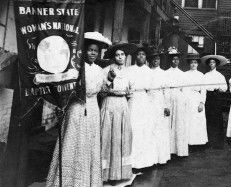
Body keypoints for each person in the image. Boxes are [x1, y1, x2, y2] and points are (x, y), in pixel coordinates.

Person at [46, 31, 111, 187]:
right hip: (76, 108)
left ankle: (87, 182)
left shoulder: (99, 70)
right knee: (73, 141)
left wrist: (110, 80)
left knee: (89, 143)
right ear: (84, 50)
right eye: (90, 50)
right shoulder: (76, 67)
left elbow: (103, 91)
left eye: (95, 51)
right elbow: (66, 89)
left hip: (93, 109)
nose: (93, 53)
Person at [100, 42, 137, 183]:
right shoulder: (106, 70)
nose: (120, 57)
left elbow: (131, 94)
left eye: (122, 55)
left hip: (122, 105)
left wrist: (128, 111)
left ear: (125, 57)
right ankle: (106, 174)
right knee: (108, 137)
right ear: (113, 57)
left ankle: (120, 173)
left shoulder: (129, 72)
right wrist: (109, 80)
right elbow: (102, 91)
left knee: (121, 138)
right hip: (109, 103)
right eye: (117, 55)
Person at [127, 44, 157, 169]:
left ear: (146, 58)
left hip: (144, 102)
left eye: (143, 54)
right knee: (133, 129)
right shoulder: (129, 70)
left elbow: (152, 91)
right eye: (138, 54)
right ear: (135, 56)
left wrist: (150, 106)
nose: (141, 56)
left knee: (144, 130)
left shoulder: (149, 72)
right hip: (132, 101)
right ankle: (131, 162)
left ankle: (144, 162)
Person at [147, 48, 171, 164]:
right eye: (153, 59)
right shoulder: (147, 72)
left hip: (160, 101)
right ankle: (150, 158)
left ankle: (160, 158)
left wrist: (166, 105)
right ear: (150, 60)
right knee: (149, 128)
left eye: (157, 59)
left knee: (160, 128)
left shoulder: (163, 73)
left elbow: (166, 90)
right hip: (148, 101)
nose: (156, 61)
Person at [165, 47, 188, 157]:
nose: (175, 61)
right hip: (169, 97)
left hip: (179, 98)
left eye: (177, 59)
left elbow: (185, 89)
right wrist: (166, 103)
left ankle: (179, 149)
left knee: (178, 123)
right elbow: (165, 89)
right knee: (168, 123)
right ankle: (169, 149)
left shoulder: (182, 74)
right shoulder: (166, 73)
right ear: (170, 60)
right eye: (173, 59)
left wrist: (183, 101)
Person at [201, 54, 228, 149]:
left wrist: (218, 88)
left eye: (213, 63)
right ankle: (209, 141)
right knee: (208, 117)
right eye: (210, 63)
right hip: (208, 97)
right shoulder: (206, 75)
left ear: (216, 64)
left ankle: (217, 142)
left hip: (216, 97)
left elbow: (225, 88)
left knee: (217, 118)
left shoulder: (220, 75)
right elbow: (203, 87)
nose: (212, 64)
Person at [184, 54, 208, 148]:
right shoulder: (185, 74)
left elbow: (203, 90)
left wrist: (202, 102)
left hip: (197, 98)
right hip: (188, 98)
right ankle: (188, 141)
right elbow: (183, 89)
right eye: (191, 62)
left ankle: (198, 141)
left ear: (198, 64)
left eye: (195, 62)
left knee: (197, 120)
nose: (193, 64)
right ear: (189, 64)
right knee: (188, 119)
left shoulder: (201, 75)